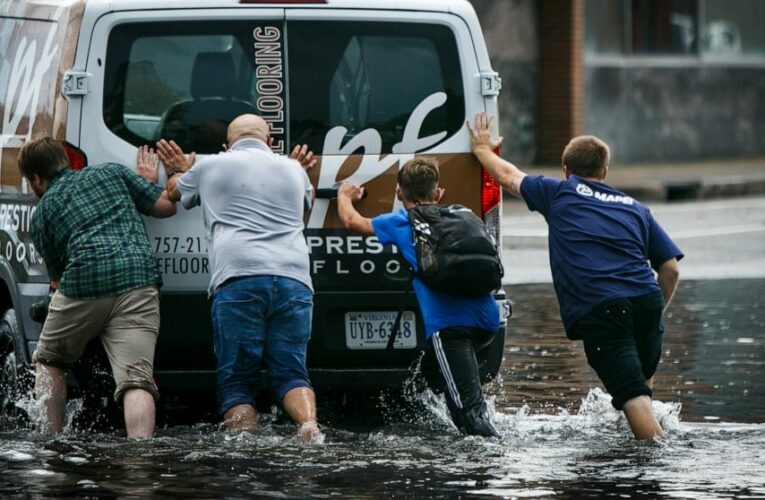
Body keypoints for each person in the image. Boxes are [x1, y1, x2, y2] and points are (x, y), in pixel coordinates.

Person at [468, 112, 682, 440]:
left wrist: (482, 149)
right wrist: (655, 312)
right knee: (641, 390)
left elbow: (508, 176)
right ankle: (642, 462)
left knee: (632, 397)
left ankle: (660, 465)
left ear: (566, 170)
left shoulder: (560, 192)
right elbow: (670, 268)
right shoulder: (635, 207)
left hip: (604, 307)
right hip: (648, 300)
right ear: (605, 171)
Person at [149, 114, 322, 442]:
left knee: (237, 382)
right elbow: (303, 216)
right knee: (291, 372)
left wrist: (176, 169)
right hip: (294, 278)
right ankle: (309, 425)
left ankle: (245, 449)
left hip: (239, 277)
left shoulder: (213, 164)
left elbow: (172, 193)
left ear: (227, 146)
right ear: (269, 142)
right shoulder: (294, 169)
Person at [17, 137, 177, 438]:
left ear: (36, 178)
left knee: (50, 360)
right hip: (137, 280)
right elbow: (165, 206)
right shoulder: (111, 173)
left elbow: (58, 280)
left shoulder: (41, 214)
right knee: (136, 380)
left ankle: (50, 440)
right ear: (64, 159)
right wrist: (146, 182)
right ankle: (140, 456)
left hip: (82, 286)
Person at [337, 157, 501, 438]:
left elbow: (352, 221)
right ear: (439, 194)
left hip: (451, 330)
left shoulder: (401, 222)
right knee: (431, 383)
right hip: (488, 322)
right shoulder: (464, 214)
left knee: (470, 411)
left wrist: (344, 194)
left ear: (399, 194)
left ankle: (492, 463)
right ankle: (458, 449)